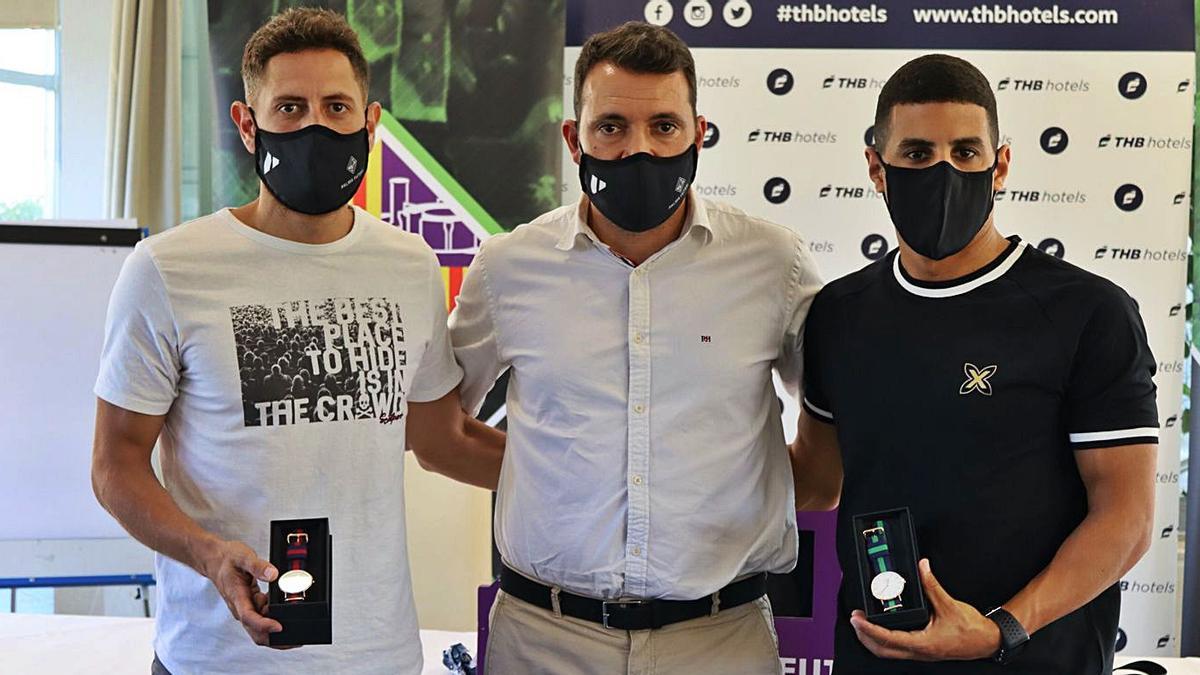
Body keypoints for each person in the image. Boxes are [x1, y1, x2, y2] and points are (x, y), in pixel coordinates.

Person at [91, 8, 503, 674]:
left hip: (376, 655)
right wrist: (204, 550)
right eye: (289, 107)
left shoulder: (409, 264)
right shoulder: (168, 268)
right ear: (247, 125)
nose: (316, 125)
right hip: (217, 657)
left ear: (369, 124)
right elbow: (115, 464)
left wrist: (590, 482)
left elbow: (440, 438)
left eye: (336, 107)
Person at [448, 21, 823, 675]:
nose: (639, 150)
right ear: (574, 138)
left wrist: (728, 487)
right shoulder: (510, 265)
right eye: (612, 127)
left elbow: (827, 455)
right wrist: (560, 478)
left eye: (664, 128)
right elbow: (442, 427)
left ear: (698, 133)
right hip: (543, 639)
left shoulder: (773, 262)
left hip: (721, 640)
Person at [792, 54, 1158, 673]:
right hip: (876, 656)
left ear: (1001, 165)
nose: (943, 172)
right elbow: (819, 482)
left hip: (1034, 659)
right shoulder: (839, 312)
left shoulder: (1088, 312)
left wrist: (1000, 630)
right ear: (876, 169)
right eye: (916, 154)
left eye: (966, 153)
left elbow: (1126, 518)